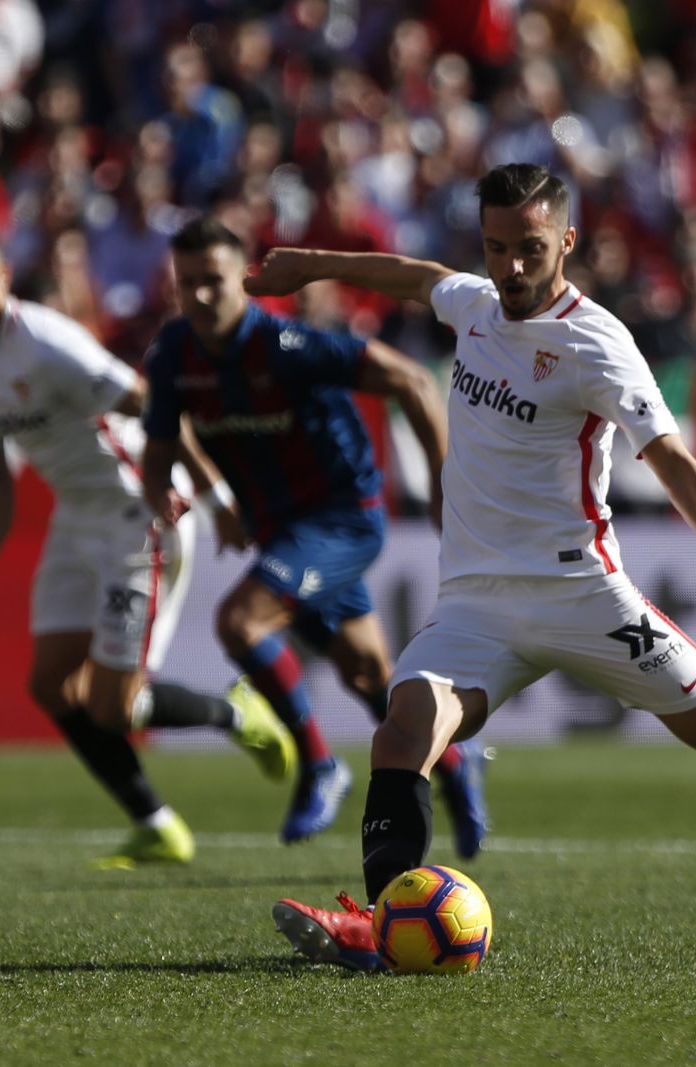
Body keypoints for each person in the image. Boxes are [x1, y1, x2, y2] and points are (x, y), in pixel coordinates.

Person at [255, 163, 696, 971]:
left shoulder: (596, 342)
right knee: (405, 729)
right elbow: (415, 276)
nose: (512, 268)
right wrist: (310, 263)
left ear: (566, 240)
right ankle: (381, 926)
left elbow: (673, 462)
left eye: (530, 248)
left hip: (581, 594)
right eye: (496, 248)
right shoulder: (476, 306)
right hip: (475, 605)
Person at [0, 216, 293, 869]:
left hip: (140, 512)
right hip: (77, 519)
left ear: (1, 273)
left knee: (112, 705)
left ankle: (237, 712)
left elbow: (152, 403)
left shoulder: (46, 341)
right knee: (50, 684)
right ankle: (156, 823)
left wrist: (209, 494)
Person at [140, 217, 489, 855]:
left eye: (214, 281)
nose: (201, 297)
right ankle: (460, 768)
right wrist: (176, 493)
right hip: (282, 533)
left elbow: (413, 380)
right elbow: (159, 446)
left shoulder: (289, 346)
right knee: (368, 677)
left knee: (241, 623)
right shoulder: (173, 357)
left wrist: (446, 488)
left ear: (242, 281)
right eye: (187, 284)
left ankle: (320, 764)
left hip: (344, 518)